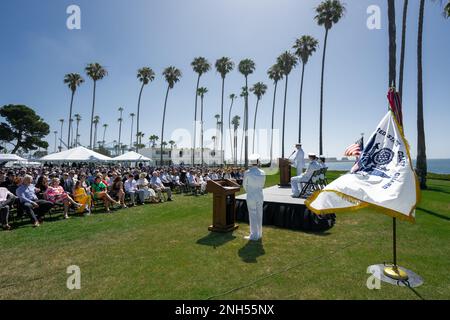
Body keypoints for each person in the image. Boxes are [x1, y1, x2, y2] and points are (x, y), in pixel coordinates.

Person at [243, 154, 266, 241]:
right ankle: (259, 233)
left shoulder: (247, 172)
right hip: (260, 195)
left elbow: (244, 185)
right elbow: (262, 185)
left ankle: (254, 235)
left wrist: (249, 191)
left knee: (252, 214)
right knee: (259, 214)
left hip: (251, 195)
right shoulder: (262, 172)